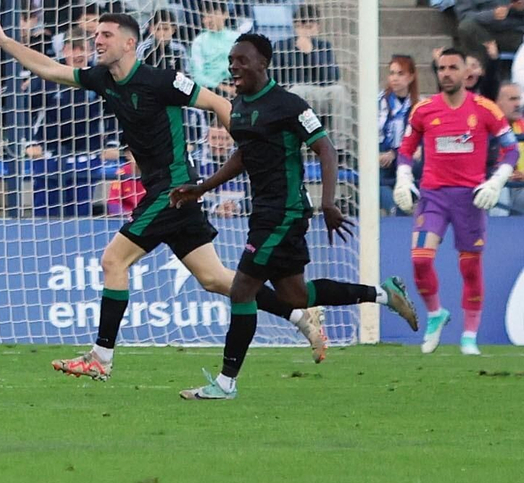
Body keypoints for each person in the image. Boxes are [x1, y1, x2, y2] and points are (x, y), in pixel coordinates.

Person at [0, 9, 324, 378]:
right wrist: (3, 40)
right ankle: (299, 315)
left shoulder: (162, 81)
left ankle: (101, 357)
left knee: (113, 261)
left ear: (130, 43)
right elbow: (50, 69)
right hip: (170, 192)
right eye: (97, 34)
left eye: (106, 35)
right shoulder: (102, 78)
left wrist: (250, 151)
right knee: (214, 279)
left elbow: (219, 103)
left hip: (173, 188)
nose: (98, 40)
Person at [171, 33, 419, 398]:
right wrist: (203, 187)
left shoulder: (288, 105)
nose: (234, 66)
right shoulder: (238, 106)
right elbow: (245, 154)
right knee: (295, 297)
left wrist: (330, 202)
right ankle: (384, 294)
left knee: (241, 289)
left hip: (284, 212)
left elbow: (326, 148)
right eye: (231, 60)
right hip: (265, 212)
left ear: (263, 63)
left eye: (242, 60)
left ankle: (226, 383)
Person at [393, 45, 518, 356]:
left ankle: (469, 337)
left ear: (467, 73)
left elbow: (512, 149)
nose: (446, 74)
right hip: (434, 196)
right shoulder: (423, 110)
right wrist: (404, 179)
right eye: (441, 68)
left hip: (471, 200)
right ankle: (436, 314)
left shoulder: (486, 109)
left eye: (452, 68)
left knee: (470, 269)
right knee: (421, 259)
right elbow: (406, 149)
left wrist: (495, 181)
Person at [378, 54, 418, 212]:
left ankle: (409, 204)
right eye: (392, 73)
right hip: (381, 157)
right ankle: (395, 208)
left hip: (405, 158)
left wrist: (395, 153)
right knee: (372, 175)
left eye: (400, 74)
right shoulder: (378, 101)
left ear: (411, 77)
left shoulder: (418, 105)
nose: (394, 78)